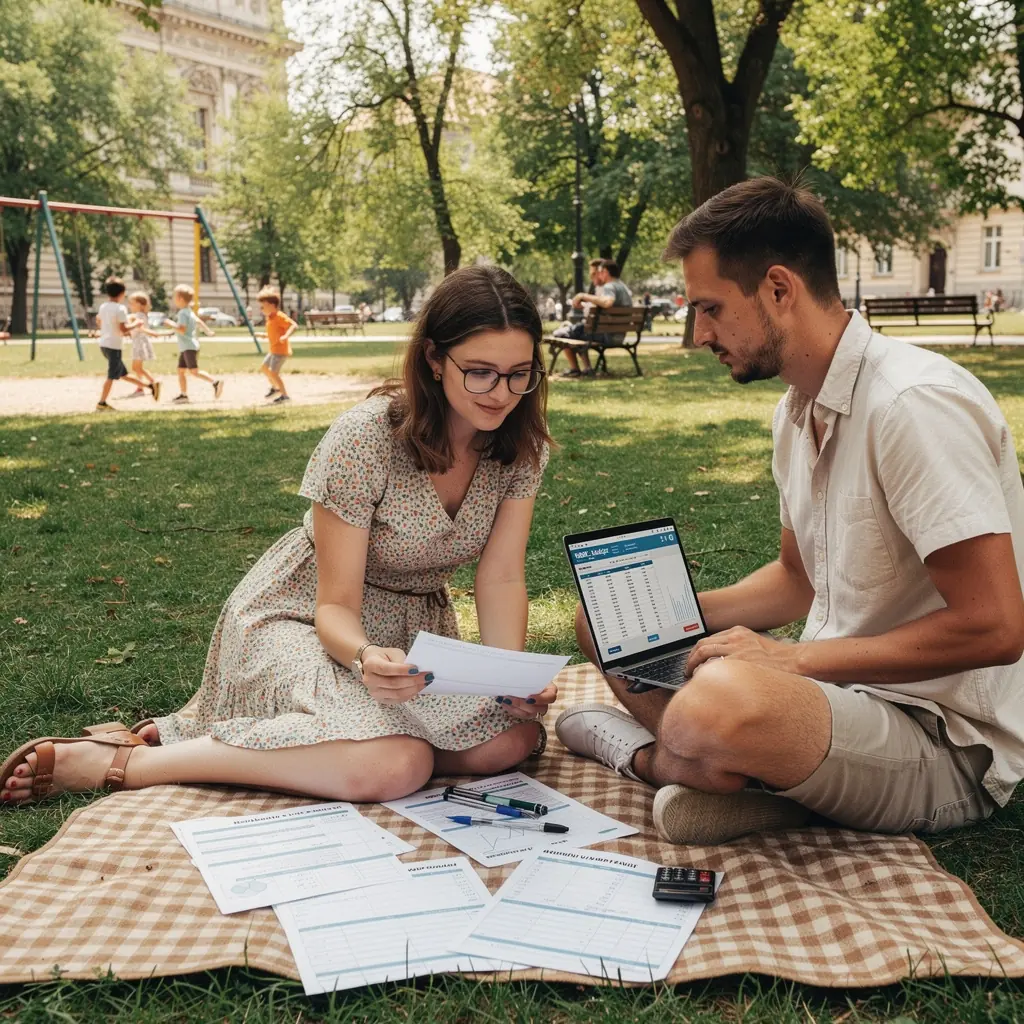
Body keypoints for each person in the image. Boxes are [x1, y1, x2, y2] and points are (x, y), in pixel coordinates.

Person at [557, 177, 1024, 846]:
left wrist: (793, 664)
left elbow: (997, 627)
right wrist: (664, 615)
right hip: (839, 704)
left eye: (711, 308)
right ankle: (750, 778)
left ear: (778, 289)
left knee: (715, 706)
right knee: (605, 620)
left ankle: (650, 757)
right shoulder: (795, 411)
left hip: (943, 740)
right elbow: (795, 581)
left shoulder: (911, 406)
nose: (698, 334)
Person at [1, 265, 557, 807]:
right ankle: (125, 764)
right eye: (480, 371)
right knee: (397, 765)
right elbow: (335, 605)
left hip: (412, 637)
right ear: (434, 359)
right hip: (303, 618)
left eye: (519, 373)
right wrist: (364, 658)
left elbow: (502, 576)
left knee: (513, 739)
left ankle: (305, 741)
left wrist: (508, 680)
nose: (501, 393)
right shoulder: (365, 438)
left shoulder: (521, 446)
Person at [94, 277, 159, 411]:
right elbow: (123, 329)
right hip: (114, 345)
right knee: (111, 376)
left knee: (123, 374)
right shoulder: (120, 308)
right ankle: (102, 403)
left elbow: (99, 321)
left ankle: (150, 386)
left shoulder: (103, 306)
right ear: (122, 293)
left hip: (104, 344)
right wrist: (136, 324)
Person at [164, 284, 222, 404]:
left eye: (174, 297)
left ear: (180, 298)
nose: (173, 299)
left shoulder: (182, 313)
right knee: (180, 370)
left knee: (194, 372)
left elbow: (182, 329)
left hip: (188, 347)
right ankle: (183, 395)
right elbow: (199, 321)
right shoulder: (188, 311)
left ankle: (215, 382)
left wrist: (171, 324)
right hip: (188, 346)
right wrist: (208, 331)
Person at [551, 259, 604, 378]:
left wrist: (583, 298)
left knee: (562, 334)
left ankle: (575, 368)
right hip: (599, 330)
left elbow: (598, 310)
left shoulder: (606, 289)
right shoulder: (607, 288)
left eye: (593, 274)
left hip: (594, 332)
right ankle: (587, 368)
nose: (592, 277)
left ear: (601, 273)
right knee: (574, 333)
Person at [256, 286, 297, 404]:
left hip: (280, 351)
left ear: (271, 305)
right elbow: (273, 333)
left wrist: (286, 336)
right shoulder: (270, 318)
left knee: (274, 373)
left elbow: (293, 325)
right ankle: (275, 388)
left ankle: (284, 395)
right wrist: (263, 335)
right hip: (273, 350)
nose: (261, 309)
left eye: (263, 306)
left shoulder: (279, 316)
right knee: (264, 368)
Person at [124, 292, 163, 401]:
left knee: (136, 368)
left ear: (140, 305)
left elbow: (140, 328)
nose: (130, 306)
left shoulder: (139, 316)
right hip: (138, 343)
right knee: (137, 368)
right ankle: (143, 385)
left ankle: (151, 383)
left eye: (132, 303)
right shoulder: (140, 315)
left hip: (140, 344)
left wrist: (151, 333)